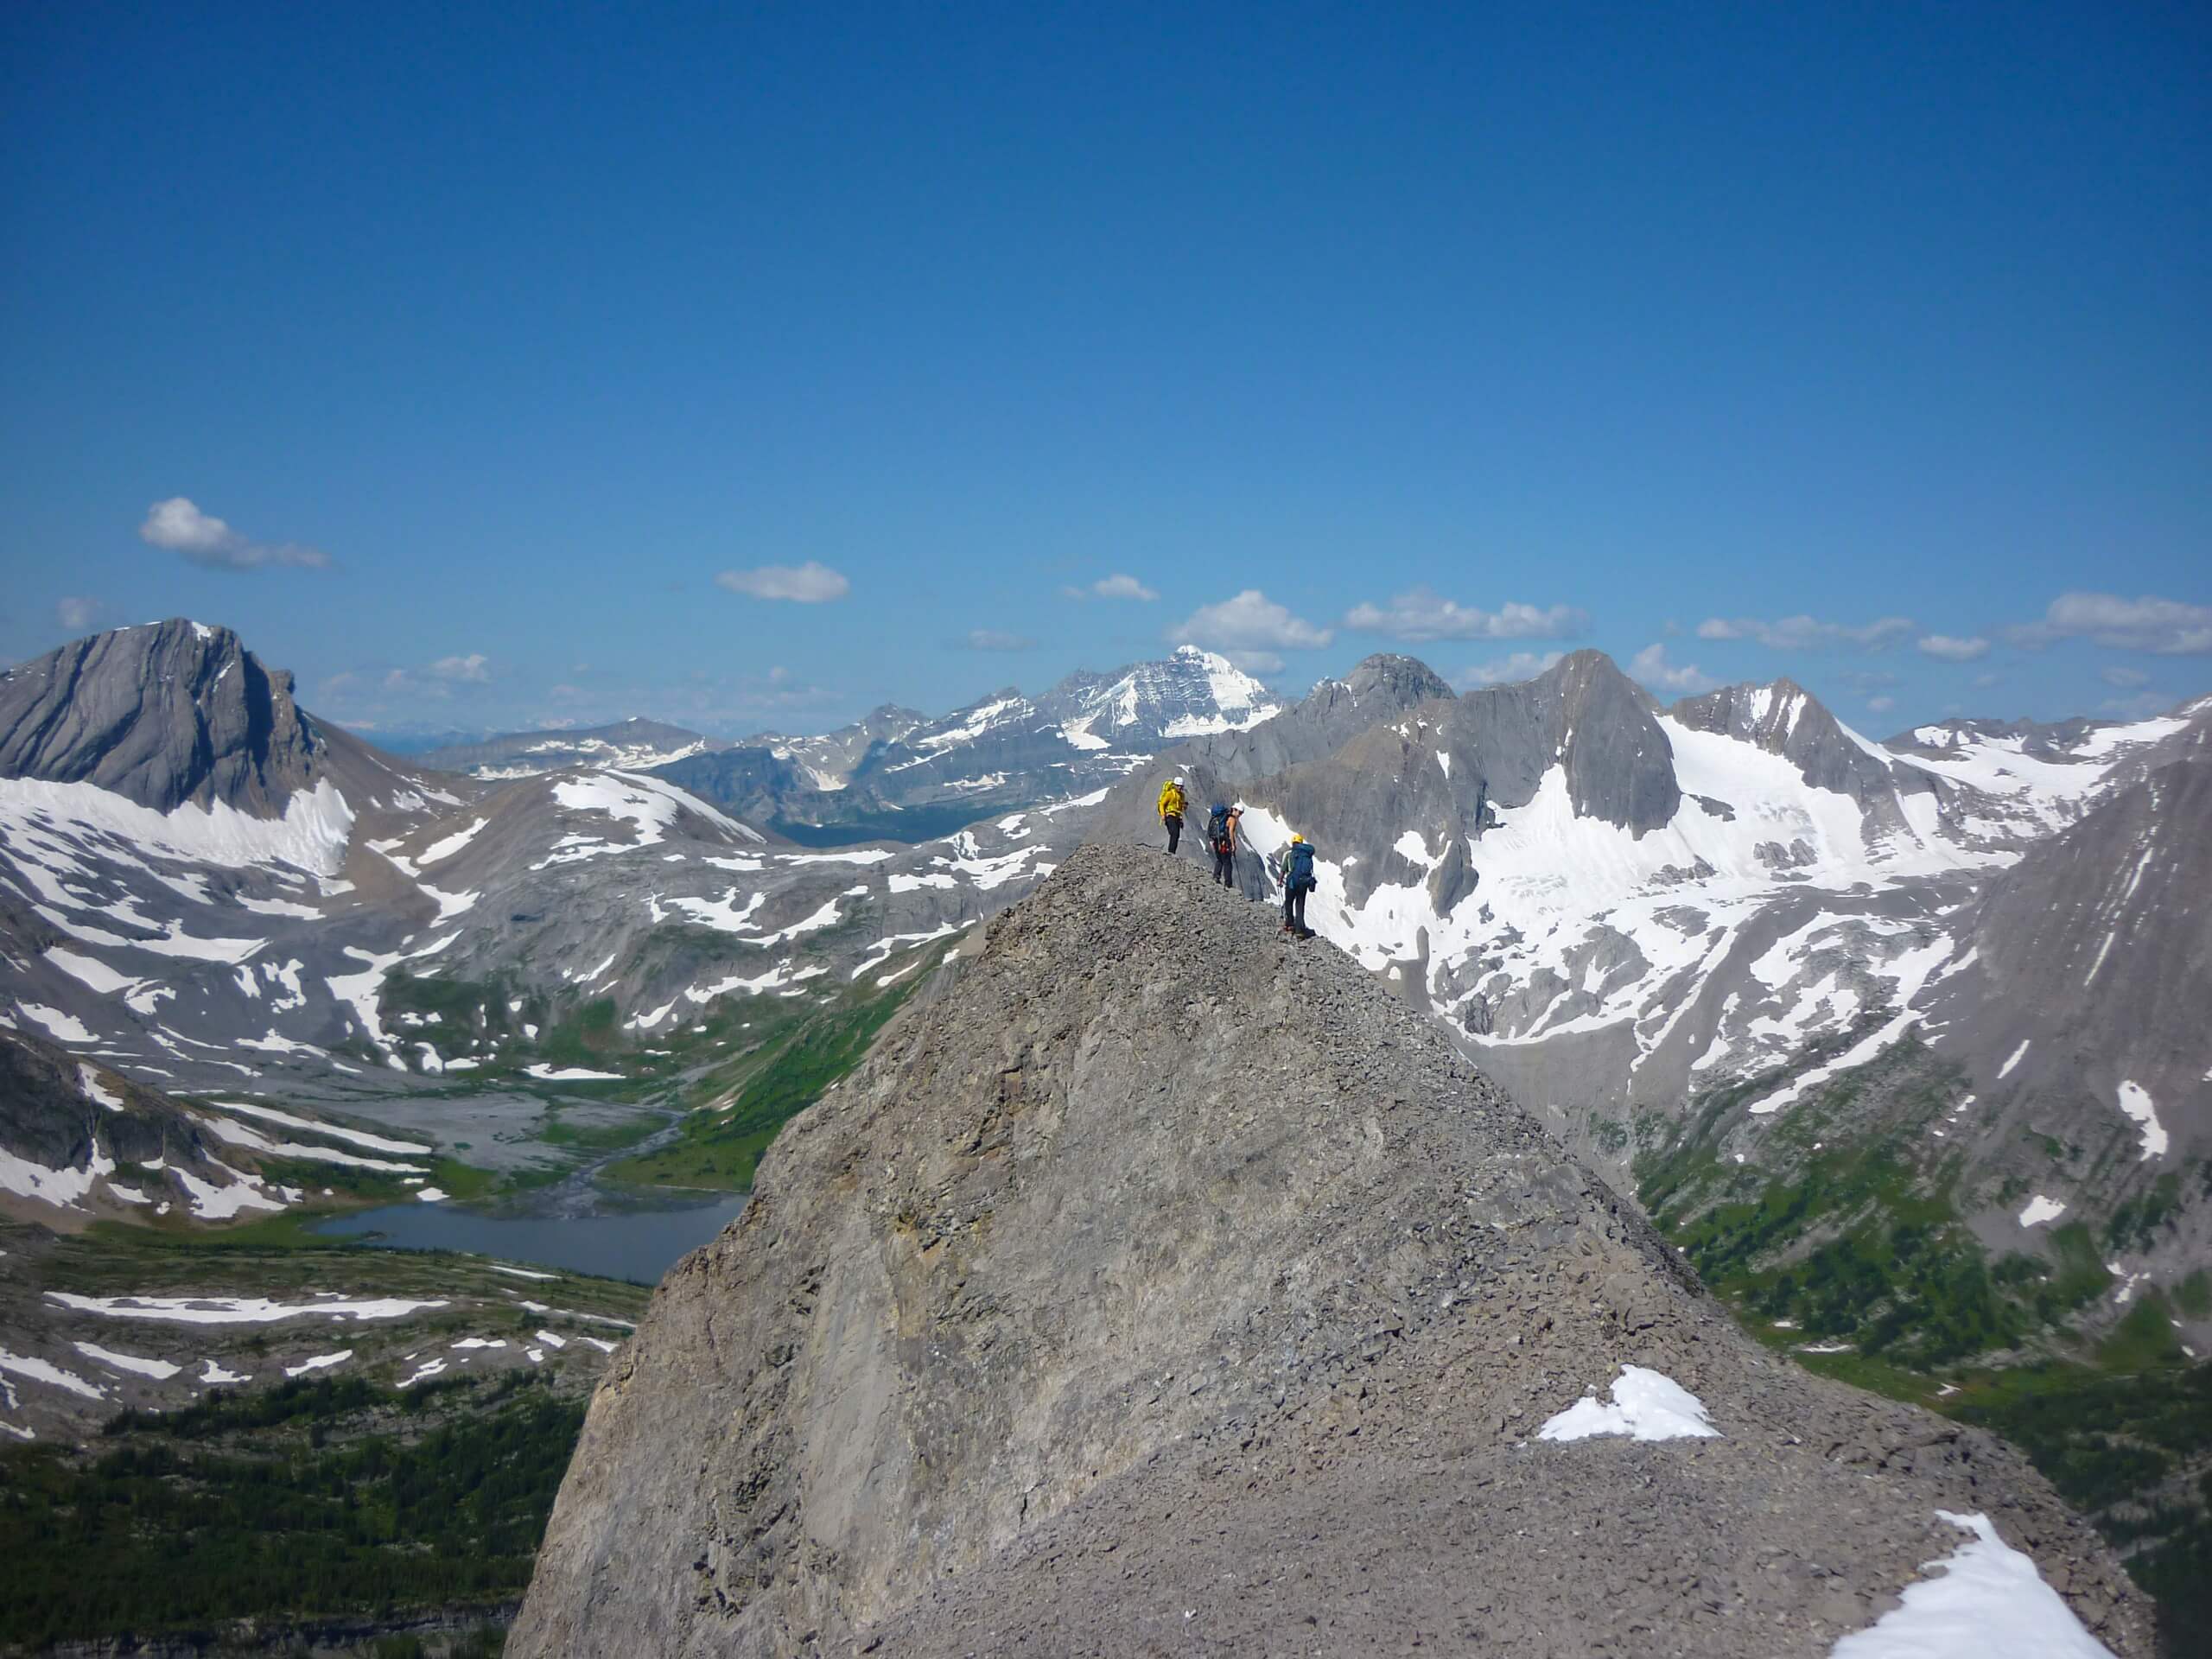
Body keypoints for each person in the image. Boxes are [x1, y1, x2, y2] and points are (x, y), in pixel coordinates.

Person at [1281, 832, 1316, 937]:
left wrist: (1280, 880)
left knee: (1289, 902)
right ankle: (1299, 930)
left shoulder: (1289, 854)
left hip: (1292, 882)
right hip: (1303, 883)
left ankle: (1290, 924)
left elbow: (1283, 869)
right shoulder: (1306, 855)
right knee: (1300, 905)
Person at [1206, 801, 1243, 887]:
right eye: (1239, 812)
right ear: (1234, 810)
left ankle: (1216, 876)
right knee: (1227, 862)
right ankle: (1228, 883)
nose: (1240, 815)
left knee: (1220, 859)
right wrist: (1233, 845)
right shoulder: (1232, 819)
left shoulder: (1222, 817)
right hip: (1224, 843)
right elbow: (1231, 832)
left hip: (1216, 841)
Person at [1157, 776, 1187, 853]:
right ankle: (1171, 852)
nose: (1180, 787)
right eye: (1178, 786)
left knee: (1176, 835)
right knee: (1174, 833)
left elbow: (1180, 808)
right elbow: (1162, 804)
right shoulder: (1169, 794)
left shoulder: (1182, 796)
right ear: (1174, 785)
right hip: (1169, 816)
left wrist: (1181, 817)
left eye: (1181, 786)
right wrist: (1163, 814)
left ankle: (1172, 852)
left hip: (1177, 817)